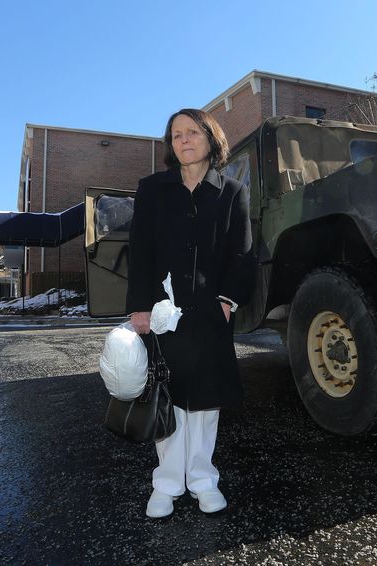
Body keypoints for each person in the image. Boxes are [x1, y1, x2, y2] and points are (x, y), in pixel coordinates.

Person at [126, 108, 255, 518]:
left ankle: (203, 480)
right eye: (175, 135)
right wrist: (140, 307)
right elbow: (141, 252)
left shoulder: (231, 191)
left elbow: (243, 253)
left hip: (208, 314)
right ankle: (166, 484)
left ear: (210, 139)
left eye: (191, 132)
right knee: (168, 397)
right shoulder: (152, 189)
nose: (183, 140)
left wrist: (226, 301)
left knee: (204, 402)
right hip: (164, 314)